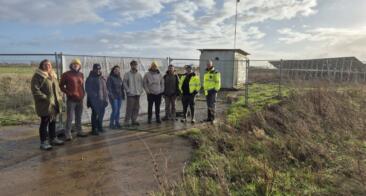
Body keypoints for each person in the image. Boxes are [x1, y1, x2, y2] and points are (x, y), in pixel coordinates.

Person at [31, 59, 64, 150]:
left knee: (53, 121)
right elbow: (35, 90)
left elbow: (57, 88)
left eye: (49, 65)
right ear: (41, 66)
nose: (48, 66)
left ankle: (53, 138)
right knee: (44, 122)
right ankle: (44, 142)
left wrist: (60, 96)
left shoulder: (53, 75)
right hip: (45, 105)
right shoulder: (38, 76)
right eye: (45, 64)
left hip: (55, 103)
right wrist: (46, 98)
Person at [59, 58, 88, 140]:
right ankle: (67, 133)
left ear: (79, 66)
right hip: (71, 100)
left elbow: (81, 85)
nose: (76, 65)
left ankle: (79, 131)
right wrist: (69, 93)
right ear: (71, 65)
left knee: (79, 116)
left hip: (80, 99)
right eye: (74, 64)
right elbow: (61, 86)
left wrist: (83, 93)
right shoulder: (66, 74)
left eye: (77, 64)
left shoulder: (81, 74)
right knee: (70, 117)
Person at [85, 64, 108, 135]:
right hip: (94, 101)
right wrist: (95, 97)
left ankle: (99, 126)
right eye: (96, 69)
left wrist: (105, 98)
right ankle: (94, 129)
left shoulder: (102, 78)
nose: (98, 70)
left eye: (99, 69)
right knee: (95, 115)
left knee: (101, 114)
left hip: (102, 100)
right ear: (93, 69)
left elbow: (105, 89)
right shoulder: (90, 78)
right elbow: (88, 89)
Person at [123, 60, 144, 127]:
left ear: (136, 65)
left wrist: (140, 90)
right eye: (133, 65)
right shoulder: (127, 74)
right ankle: (126, 122)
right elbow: (124, 83)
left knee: (136, 108)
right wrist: (128, 90)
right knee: (129, 108)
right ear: (131, 65)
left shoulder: (139, 74)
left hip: (137, 94)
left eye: (135, 65)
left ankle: (134, 120)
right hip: (130, 94)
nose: (134, 66)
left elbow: (141, 83)